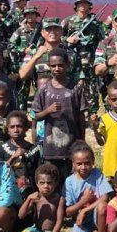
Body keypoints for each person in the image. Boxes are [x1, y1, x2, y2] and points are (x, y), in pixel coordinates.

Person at [31, 48, 87, 179]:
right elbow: (36, 116)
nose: (57, 68)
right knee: (52, 179)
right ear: (49, 67)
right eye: (53, 65)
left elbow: (81, 118)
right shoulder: (44, 90)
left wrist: (82, 141)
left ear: (68, 65)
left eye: (60, 65)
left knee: (74, 179)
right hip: (51, 148)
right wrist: (48, 111)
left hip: (72, 146)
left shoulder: (76, 89)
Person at [64, 142, 112, 232]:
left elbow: (105, 197)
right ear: (73, 164)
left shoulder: (97, 174)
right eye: (79, 164)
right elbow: (68, 212)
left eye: (87, 163)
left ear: (93, 162)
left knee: (102, 206)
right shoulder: (69, 181)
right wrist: (83, 201)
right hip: (82, 222)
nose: (83, 167)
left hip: (98, 217)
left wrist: (85, 209)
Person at [18, 163, 65, 232]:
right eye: (42, 183)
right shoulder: (36, 197)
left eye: (49, 182)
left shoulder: (58, 199)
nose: (46, 186)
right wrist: (29, 199)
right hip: (37, 230)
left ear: (55, 183)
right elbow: (21, 215)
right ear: (37, 184)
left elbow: (59, 222)